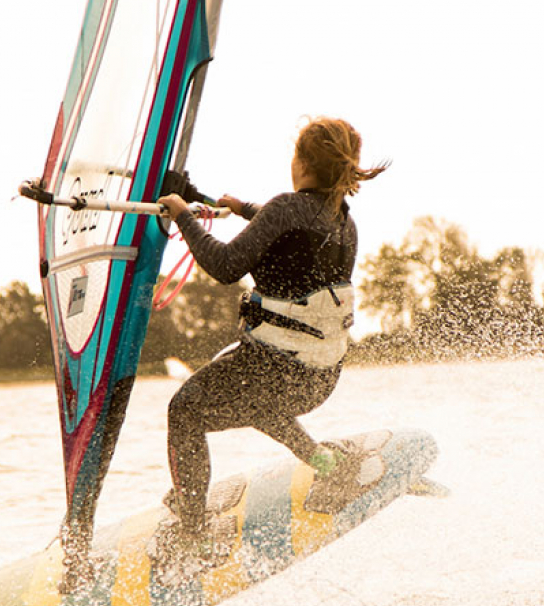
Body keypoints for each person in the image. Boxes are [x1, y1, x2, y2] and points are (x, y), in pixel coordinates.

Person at [154, 116, 386, 564]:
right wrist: (243, 209)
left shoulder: (288, 208)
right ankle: (325, 464)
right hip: (318, 381)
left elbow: (224, 266)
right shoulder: (343, 223)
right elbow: (295, 238)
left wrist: (183, 215)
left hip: (274, 370)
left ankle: (192, 534)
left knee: (184, 412)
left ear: (300, 161)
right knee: (260, 401)